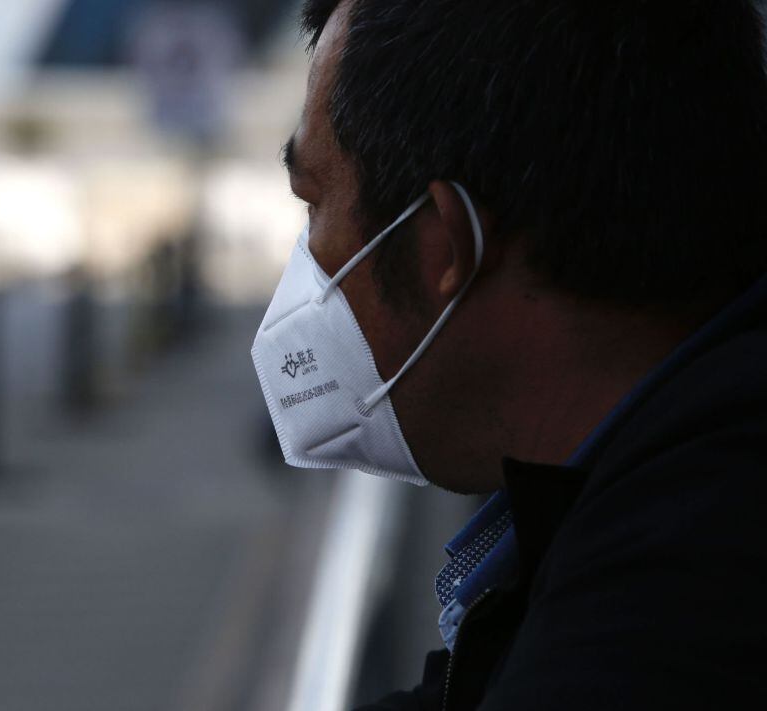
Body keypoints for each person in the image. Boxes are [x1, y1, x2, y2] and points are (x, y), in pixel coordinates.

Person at [249, 0, 767, 708]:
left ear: (445, 245)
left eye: (314, 204)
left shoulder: (661, 626)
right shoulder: (681, 491)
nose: (305, 262)